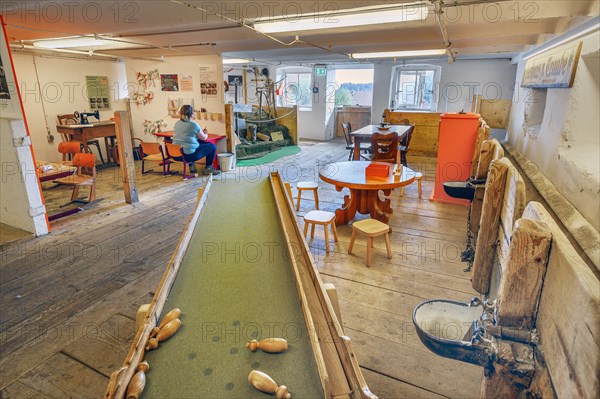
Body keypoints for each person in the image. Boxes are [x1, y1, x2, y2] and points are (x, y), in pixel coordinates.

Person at [173, 105, 220, 175]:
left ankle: (192, 166)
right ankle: (208, 168)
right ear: (192, 114)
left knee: (197, 142)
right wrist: (206, 133)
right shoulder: (193, 125)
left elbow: (187, 136)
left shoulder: (177, 123)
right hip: (189, 156)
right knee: (212, 146)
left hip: (177, 154)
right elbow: (204, 138)